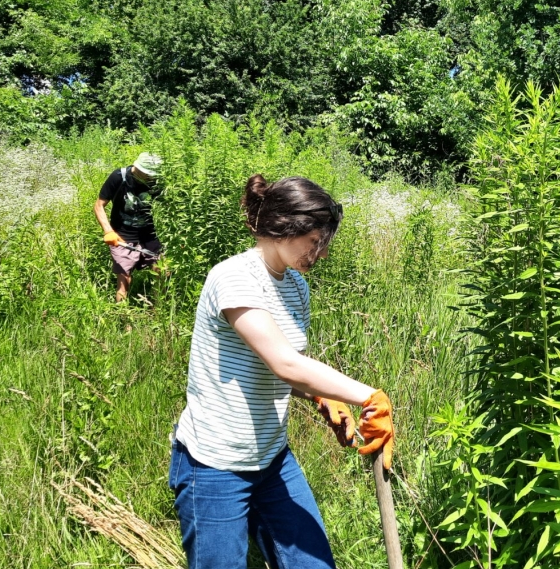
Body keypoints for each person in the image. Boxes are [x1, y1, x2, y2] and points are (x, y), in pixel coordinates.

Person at [169, 173, 395, 569]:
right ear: (287, 228)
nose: (322, 255)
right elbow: (285, 363)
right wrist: (366, 396)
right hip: (214, 464)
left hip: (272, 459)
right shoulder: (233, 277)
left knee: (315, 565)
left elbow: (285, 371)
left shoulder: (296, 287)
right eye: (316, 243)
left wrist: (322, 396)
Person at [93, 152, 163, 302]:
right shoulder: (119, 177)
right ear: (137, 167)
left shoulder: (156, 182)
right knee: (124, 280)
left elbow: (171, 207)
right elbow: (99, 205)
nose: (150, 178)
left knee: (161, 271)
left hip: (149, 235)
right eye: (147, 174)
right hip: (122, 235)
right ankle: (124, 321)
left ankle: (158, 313)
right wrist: (108, 231)